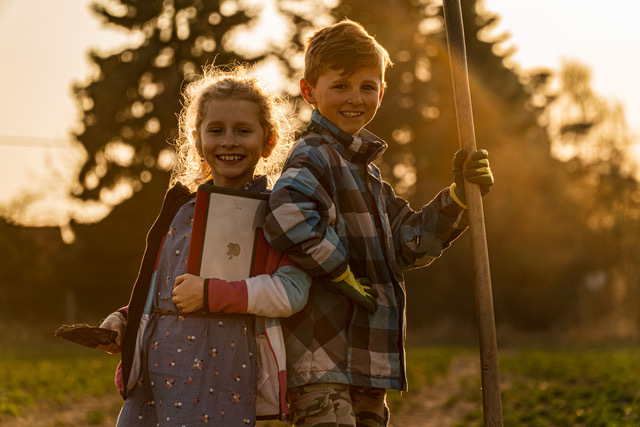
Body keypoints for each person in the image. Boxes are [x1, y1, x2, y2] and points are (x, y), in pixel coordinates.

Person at [263, 20, 494, 426]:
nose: (355, 98)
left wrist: (459, 197)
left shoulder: (368, 177)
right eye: (341, 85)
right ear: (308, 91)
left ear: (382, 93)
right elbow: (286, 214)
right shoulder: (313, 155)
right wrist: (340, 271)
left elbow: (408, 243)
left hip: (369, 360)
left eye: (368, 87)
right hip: (323, 359)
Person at [98, 64, 311, 426]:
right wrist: (124, 319)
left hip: (224, 376)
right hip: (155, 379)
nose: (228, 140)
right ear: (197, 140)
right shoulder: (179, 209)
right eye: (216, 130)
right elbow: (162, 290)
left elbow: (292, 293)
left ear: (268, 140)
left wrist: (212, 294)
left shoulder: (277, 212)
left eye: (243, 130)